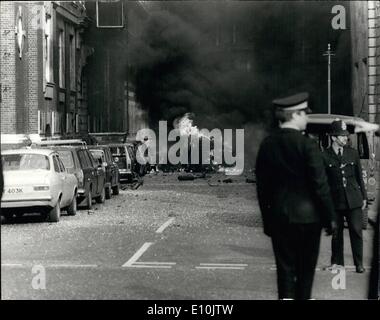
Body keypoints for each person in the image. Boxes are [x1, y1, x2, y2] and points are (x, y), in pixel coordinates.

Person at [256, 92, 337, 300]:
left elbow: (262, 189)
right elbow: (320, 185)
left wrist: (268, 222)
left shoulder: (267, 145)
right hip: (309, 220)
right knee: (305, 273)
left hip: (280, 219)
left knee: (284, 272)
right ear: (295, 115)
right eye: (304, 114)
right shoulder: (308, 145)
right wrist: (330, 219)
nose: (306, 119)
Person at [322, 119, 367, 274]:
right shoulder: (324, 155)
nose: (345, 138)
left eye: (346, 135)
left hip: (354, 199)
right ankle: (337, 263)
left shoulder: (352, 153)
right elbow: (324, 181)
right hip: (335, 201)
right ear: (333, 137)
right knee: (336, 233)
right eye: (341, 136)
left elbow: (359, 177)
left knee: (356, 231)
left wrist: (364, 197)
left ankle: (359, 264)